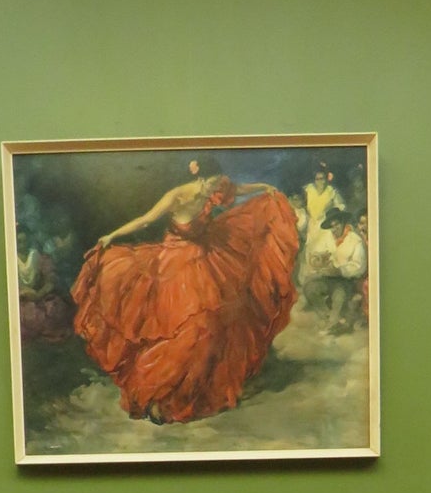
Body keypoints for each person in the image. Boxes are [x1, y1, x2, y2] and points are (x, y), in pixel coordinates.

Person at [71, 154, 298, 423]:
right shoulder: (177, 196)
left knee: (212, 323)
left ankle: (189, 391)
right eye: (213, 182)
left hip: (207, 256)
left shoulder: (218, 188)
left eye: (218, 182)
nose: (217, 187)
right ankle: (155, 393)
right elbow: (145, 220)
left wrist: (263, 187)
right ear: (200, 178)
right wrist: (112, 235)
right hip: (174, 262)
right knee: (182, 328)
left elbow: (237, 190)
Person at [305, 206, 367, 332]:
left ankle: (334, 323)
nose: (334, 229)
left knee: (339, 296)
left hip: (347, 281)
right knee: (309, 288)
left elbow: (359, 266)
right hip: (328, 278)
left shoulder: (355, 240)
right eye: (331, 226)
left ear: (343, 223)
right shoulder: (327, 237)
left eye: (336, 225)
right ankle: (328, 317)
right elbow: (319, 252)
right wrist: (319, 258)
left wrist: (340, 270)